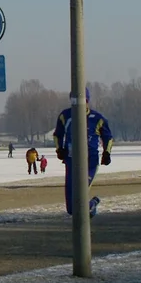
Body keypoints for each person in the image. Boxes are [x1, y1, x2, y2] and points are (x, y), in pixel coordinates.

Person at [54, 87, 113, 219]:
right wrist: (59, 149)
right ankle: (92, 204)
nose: (81, 104)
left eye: (84, 100)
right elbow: (57, 135)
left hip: (89, 162)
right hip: (71, 162)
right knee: (71, 208)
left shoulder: (97, 118)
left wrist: (106, 153)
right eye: (76, 101)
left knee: (79, 196)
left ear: (87, 101)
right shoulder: (65, 116)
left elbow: (108, 137)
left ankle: (87, 215)